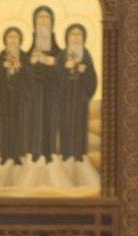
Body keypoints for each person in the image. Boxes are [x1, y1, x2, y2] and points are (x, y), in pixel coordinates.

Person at [56, 24, 97, 162]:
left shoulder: (86, 54)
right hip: (66, 95)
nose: (75, 37)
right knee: (66, 123)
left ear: (83, 38)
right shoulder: (62, 54)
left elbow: (93, 77)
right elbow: (55, 76)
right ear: (67, 37)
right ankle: (66, 152)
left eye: (78, 34)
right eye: (72, 34)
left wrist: (85, 72)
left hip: (80, 95)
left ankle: (78, 153)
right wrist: (64, 68)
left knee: (79, 123)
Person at [24, 6, 60, 163]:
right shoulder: (31, 48)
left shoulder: (57, 50)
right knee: (35, 120)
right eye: (40, 18)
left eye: (47, 18)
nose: (43, 21)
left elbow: (63, 64)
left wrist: (53, 62)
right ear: (34, 23)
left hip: (51, 91)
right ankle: (35, 151)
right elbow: (24, 66)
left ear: (52, 23)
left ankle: (49, 152)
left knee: (49, 120)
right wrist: (30, 62)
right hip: (34, 91)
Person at [0, 27, 29, 166]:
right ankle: (5, 154)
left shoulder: (24, 56)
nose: (13, 40)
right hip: (5, 98)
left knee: (18, 126)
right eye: (10, 37)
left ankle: (17, 155)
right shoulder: (1, 56)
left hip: (19, 99)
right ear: (5, 40)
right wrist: (3, 68)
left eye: (15, 38)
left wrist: (21, 68)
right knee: (6, 125)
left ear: (20, 41)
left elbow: (30, 78)